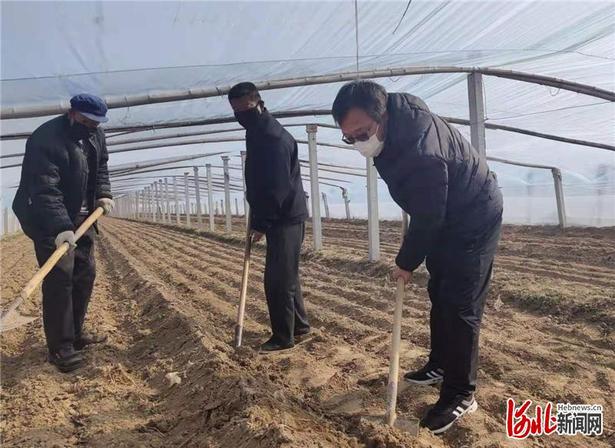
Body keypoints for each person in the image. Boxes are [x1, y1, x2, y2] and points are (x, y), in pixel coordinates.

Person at [332, 80, 503, 434]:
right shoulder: (392, 128)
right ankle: (441, 362)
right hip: (445, 214)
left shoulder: (421, 149)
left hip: (472, 217)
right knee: (439, 291)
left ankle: (461, 393)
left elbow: (428, 215)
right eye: (350, 137)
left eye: (362, 133)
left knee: (460, 304)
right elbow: (424, 206)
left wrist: (406, 261)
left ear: (382, 118)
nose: (359, 142)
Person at [13, 94, 114, 373]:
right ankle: (60, 347)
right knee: (60, 278)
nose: (91, 127)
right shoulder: (44, 140)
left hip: (82, 215)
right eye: (86, 122)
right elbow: (45, 190)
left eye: (96, 124)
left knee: (85, 273)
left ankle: (76, 333)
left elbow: (101, 165)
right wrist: (60, 228)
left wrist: (103, 194)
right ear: (72, 114)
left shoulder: (95, 135)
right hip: (46, 216)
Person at [228, 82, 310, 352]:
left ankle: (282, 337)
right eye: (236, 111)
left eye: (245, 109)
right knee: (287, 275)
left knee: (277, 280)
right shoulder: (257, 131)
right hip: (281, 215)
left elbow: (277, 187)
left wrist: (262, 223)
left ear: (258, 102)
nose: (241, 115)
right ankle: (299, 327)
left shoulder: (272, 137)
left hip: (284, 216)